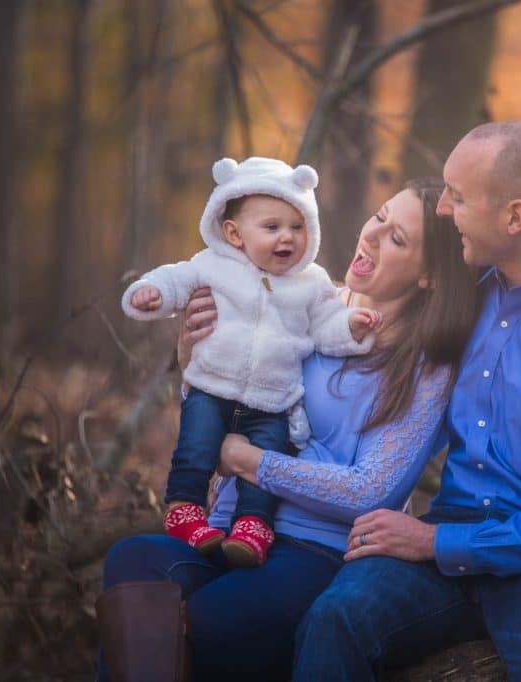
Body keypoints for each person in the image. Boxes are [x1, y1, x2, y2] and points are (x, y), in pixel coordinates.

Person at [292, 120, 521, 681]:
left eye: (458, 197)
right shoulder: (468, 295)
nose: (442, 209)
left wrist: (436, 541)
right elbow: (357, 314)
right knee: (334, 618)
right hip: (448, 547)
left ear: (515, 217)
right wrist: (222, 327)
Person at [97, 177, 480, 680]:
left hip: (318, 553)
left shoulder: (427, 368)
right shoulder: (305, 303)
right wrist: (194, 365)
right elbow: (226, 419)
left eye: (397, 238)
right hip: (233, 528)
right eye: (381, 216)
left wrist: (250, 462)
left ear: (428, 276)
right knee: (135, 565)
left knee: (210, 618)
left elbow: (372, 489)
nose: (372, 235)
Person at [121, 156, 381, 567]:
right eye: (272, 227)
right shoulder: (213, 265)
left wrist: (352, 327)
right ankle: (184, 508)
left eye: (297, 227)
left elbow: (327, 324)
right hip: (211, 385)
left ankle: (253, 526)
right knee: (195, 449)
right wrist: (151, 292)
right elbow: (176, 279)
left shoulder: (311, 282)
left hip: (271, 401)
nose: (288, 238)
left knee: (267, 465)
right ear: (234, 233)